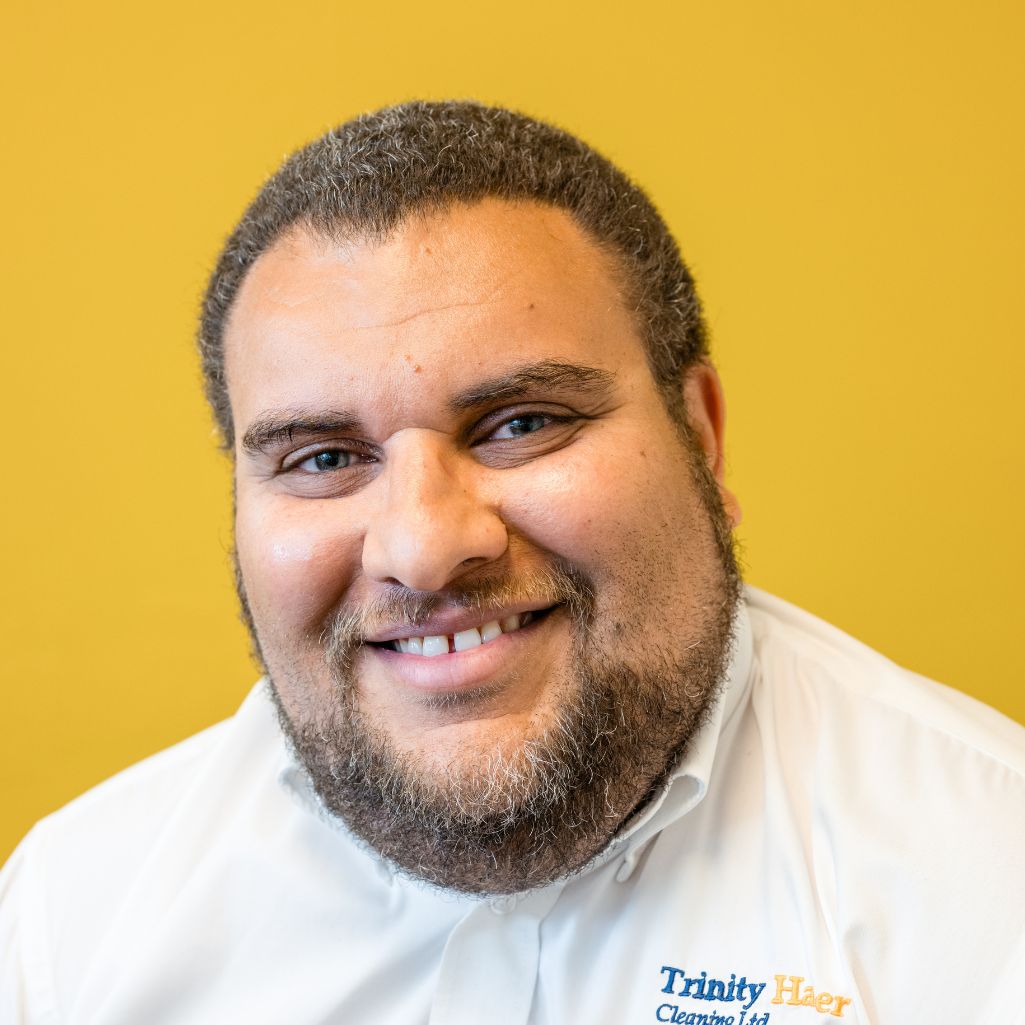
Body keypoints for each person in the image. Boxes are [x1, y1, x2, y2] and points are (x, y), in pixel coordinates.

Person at [1, 101, 1023, 1025]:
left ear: (700, 439)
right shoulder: (70, 924)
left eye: (520, 423)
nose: (423, 545)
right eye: (322, 457)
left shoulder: (990, 893)